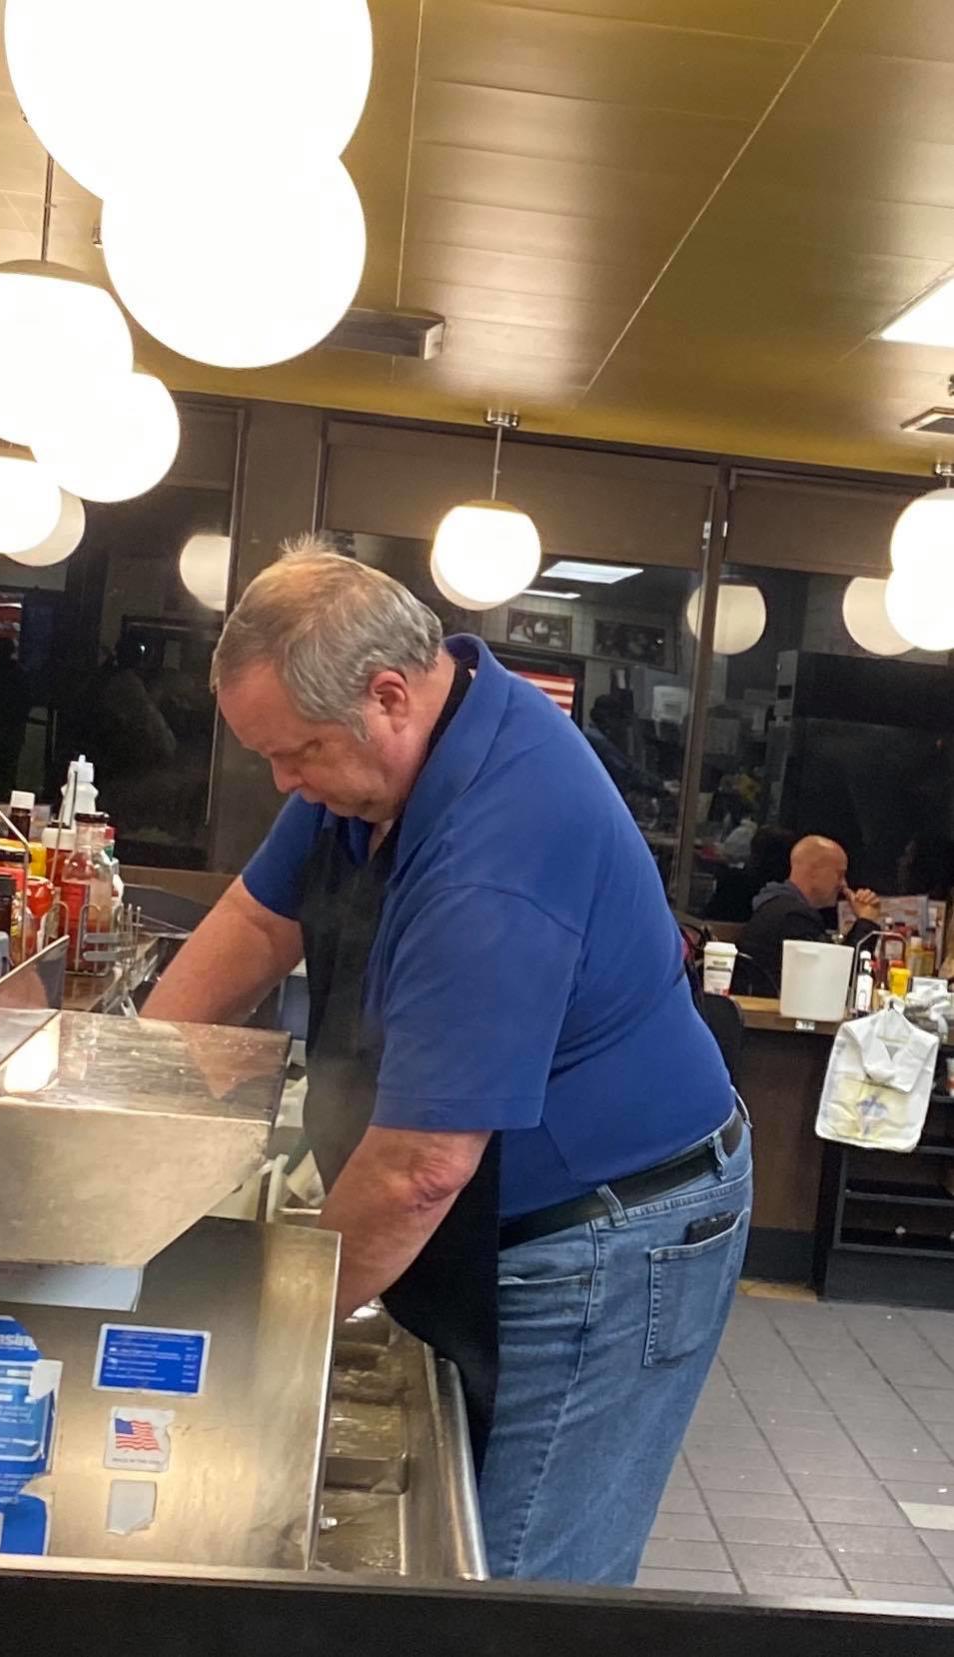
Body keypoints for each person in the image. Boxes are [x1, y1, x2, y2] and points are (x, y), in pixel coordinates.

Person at [145, 540, 751, 1587]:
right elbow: (252, 923)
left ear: (389, 693)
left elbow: (422, 1169)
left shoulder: (495, 853)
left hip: (616, 1234)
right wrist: (139, 1091)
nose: (285, 782)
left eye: (297, 755)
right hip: (509, 1196)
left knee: (516, 1588)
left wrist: (247, 1340)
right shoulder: (391, 751)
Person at [731, 834, 880, 997]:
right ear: (814, 871)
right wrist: (866, 922)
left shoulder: (776, 904)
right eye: (839, 874)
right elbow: (837, 980)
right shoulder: (794, 918)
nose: (843, 883)